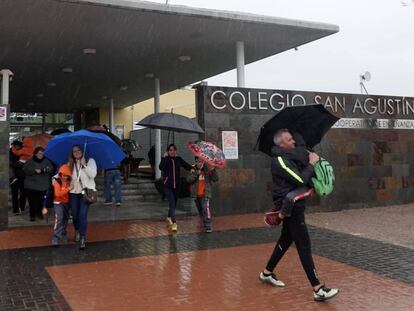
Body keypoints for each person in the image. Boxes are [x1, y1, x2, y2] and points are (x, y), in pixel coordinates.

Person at [259, 129, 339, 302]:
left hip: (295, 204)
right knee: (304, 245)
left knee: (286, 239)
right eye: (289, 140)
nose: (293, 142)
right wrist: (311, 164)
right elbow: (300, 180)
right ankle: (318, 288)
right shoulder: (279, 161)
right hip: (291, 206)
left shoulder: (290, 156)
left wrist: (308, 158)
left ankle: (266, 273)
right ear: (281, 144)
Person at [68, 145, 97, 250]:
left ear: (82, 150)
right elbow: (67, 177)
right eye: (74, 151)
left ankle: (82, 237)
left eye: (78, 150)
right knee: (75, 215)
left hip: (86, 193)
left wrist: (84, 164)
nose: (76, 152)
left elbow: (93, 175)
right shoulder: (71, 163)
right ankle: (77, 230)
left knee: (82, 214)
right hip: (74, 192)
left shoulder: (90, 160)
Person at [159, 144, 192, 232]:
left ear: (176, 151)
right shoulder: (165, 159)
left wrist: (193, 169)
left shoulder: (178, 159)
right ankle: (174, 222)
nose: (172, 152)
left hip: (177, 185)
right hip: (168, 186)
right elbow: (160, 167)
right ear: (167, 151)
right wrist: (164, 158)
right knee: (172, 203)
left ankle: (169, 217)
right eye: (170, 150)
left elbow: (186, 165)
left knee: (174, 204)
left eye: (173, 150)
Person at [186, 157, 219, 233]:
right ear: (195, 162)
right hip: (196, 195)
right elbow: (188, 180)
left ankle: (208, 225)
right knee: (200, 210)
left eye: (201, 161)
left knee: (205, 208)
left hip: (205, 194)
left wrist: (213, 170)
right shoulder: (193, 170)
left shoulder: (207, 170)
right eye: (198, 161)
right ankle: (204, 221)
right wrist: (196, 173)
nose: (199, 163)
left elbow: (215, 179)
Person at [22, 147, 53, 221]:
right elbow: (25, 169)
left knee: (41, 201)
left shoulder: (46, 161)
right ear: (35, 153)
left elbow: (51, 168)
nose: (41, 155)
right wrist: (34, 170)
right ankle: (32, 215)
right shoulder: (30, 161)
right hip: (31, 184)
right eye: (39, 153)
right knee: (32, 201)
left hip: (43, 185)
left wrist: (43, 170)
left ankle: (39, 213)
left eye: (42, 153)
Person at [51, 164, 73, 247]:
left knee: (66, 218)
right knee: (59, 218)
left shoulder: (70, 181)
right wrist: (68, 189)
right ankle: (55, 237)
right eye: (63, 175)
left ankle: (63, 233)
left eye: (67, 176)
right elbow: (57, 194)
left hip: (67, 203)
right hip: (58, 203)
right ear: (60, 174)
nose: (64, 177)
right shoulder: (57, 181)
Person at [10, 141, 27, 215]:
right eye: (15, 146)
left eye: (18, 146)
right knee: (14, 193)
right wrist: (19, 164)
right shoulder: (10, 152)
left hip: (22, 176)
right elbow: (10, 163)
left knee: (23, 192)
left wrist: (20, 163)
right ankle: (15, 209)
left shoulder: (23, 151)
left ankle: (22, 207)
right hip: (13, 176)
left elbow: (26, 162)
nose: (17, 147)